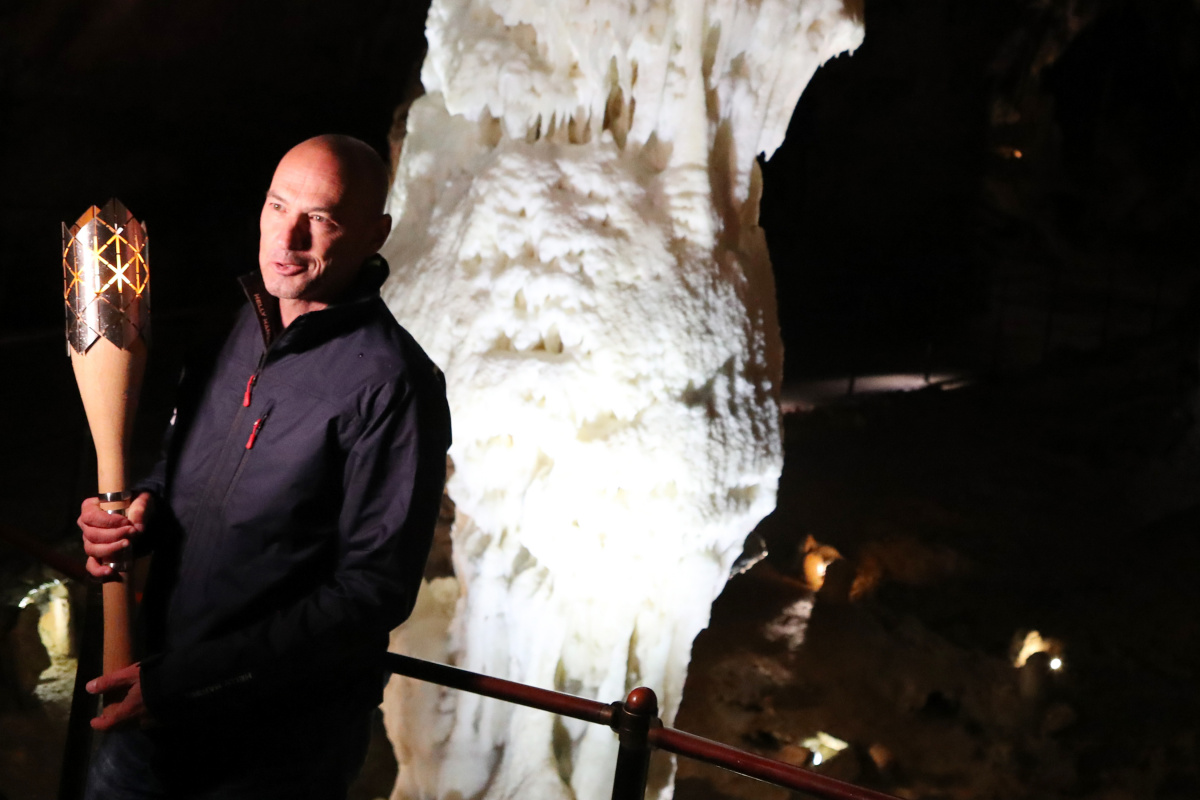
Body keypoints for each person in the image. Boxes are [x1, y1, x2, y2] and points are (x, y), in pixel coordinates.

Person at [78, 134, 451, 799]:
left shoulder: (393, 384)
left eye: (321, 218)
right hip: (151, 715)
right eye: (278, 206)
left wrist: (192, 681)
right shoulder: (234, 331)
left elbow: (371, 592)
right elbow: (181, 470)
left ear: (375, 234)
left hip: (273, 753)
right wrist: (138, 513)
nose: (289, 236)